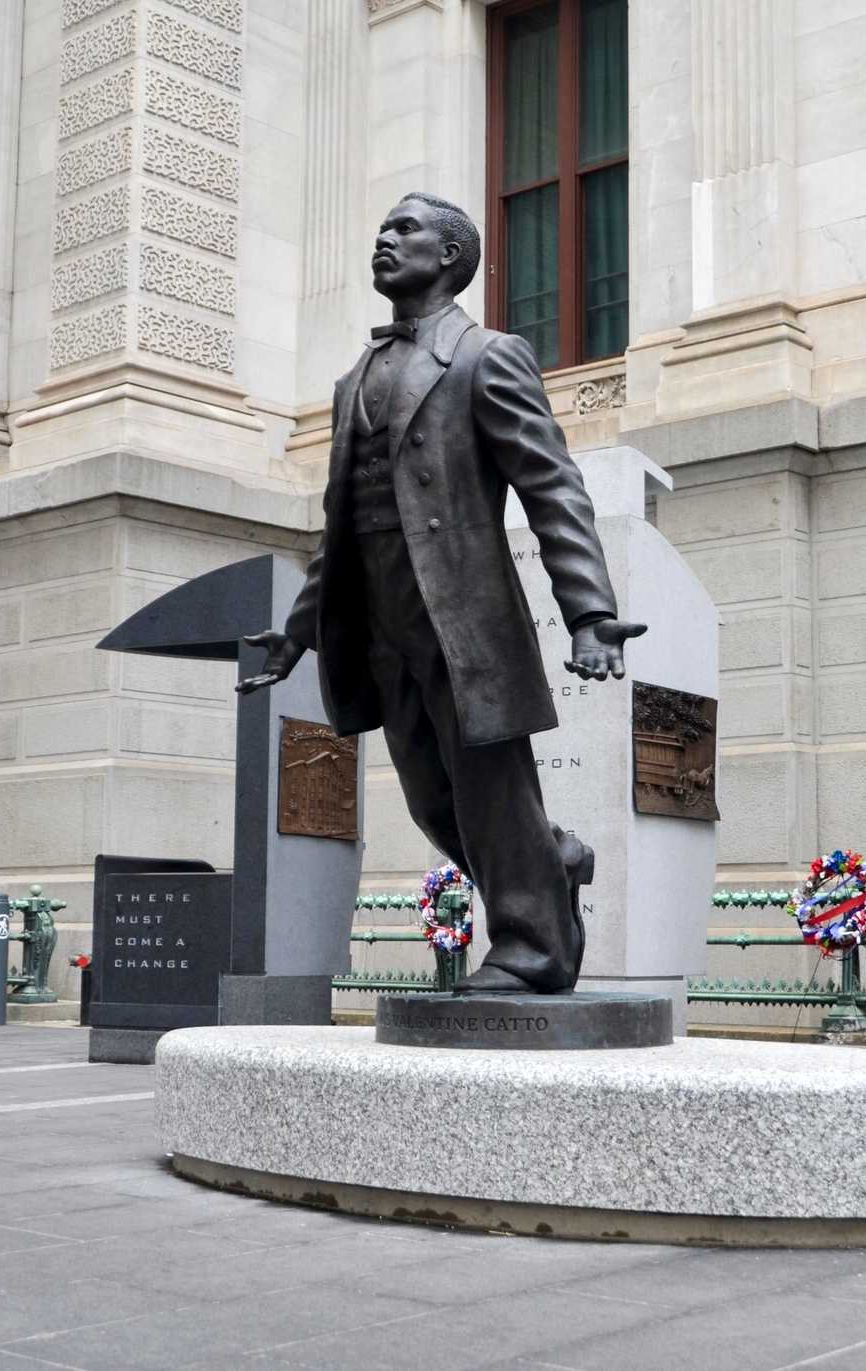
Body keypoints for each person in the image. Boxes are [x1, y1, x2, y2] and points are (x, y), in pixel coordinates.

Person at [236, 192, 644, 995]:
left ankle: (533, 947)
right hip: (382, 625)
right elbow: (341, 523)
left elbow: (552, 486)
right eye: (381, 227)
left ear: (453, 257)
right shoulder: (355, 377)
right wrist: (300, 631)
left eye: (406, 229)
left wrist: (589, 613)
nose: (384, 238)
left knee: (491, 787)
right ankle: (551, 858)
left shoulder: (488, 355)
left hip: (466, 621)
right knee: (431, 801)